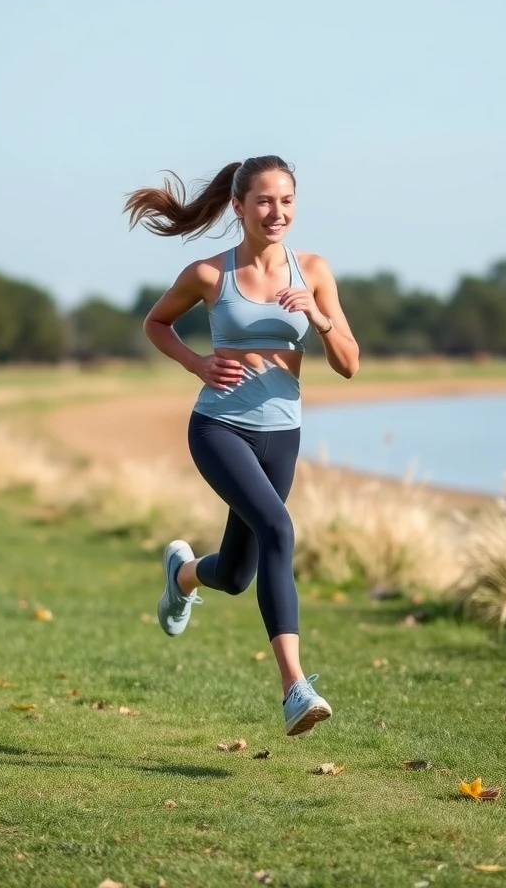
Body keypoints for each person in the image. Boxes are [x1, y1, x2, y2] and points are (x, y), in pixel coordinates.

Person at [124, 155, 360, 736]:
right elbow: (157, 324)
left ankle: (182, 575)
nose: (277, 212)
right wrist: (198, 364)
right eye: (264, 201)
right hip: (218, 428)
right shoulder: (210, 274)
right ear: (239, 206)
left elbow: (350, 364)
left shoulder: (314, 272)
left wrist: (320, 319)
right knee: (279, 529)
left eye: (286, 201)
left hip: (282, 433)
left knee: (235, 573)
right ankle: (294, 688)